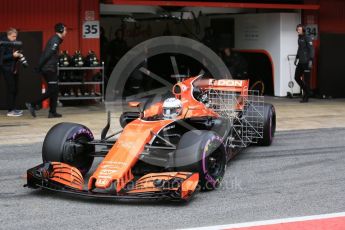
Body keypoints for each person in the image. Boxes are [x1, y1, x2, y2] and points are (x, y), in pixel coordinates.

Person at [26, 23, 67, 118]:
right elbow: (47, 54)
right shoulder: (55, 40)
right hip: (49, 68)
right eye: (65, 30)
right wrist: (39, 66)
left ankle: (52, 112)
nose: (66, 32)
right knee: (52, 89)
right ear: (61, 30)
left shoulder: (56, 40)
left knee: (55, 89)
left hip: (49, 67)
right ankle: (32, 104)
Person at [0, 28, 23, 117]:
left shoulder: (11, 43)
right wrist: (13, 55)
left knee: (15, 89)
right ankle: (10, 110)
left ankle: (13, 108)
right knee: (11, 89)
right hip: (7, 69)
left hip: (13, 68)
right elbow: (2, 58)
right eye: (13, 36)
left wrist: (18, 55)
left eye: (16, 36)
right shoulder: (3, 44)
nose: (15, 38)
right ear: (8, 35)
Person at [294, 24, 314, 103]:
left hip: (307, 62)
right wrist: (296, 58)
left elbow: (311, 49)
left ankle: (306, 97)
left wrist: (311, 60)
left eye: (299, 29)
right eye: (297, 29)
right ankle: (308, 91)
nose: (297, 30)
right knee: (296, 77)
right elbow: (299, 48)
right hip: (301, 62)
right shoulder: (299, 38)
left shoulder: (307, 37)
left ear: (303, 30)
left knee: (307, 80)